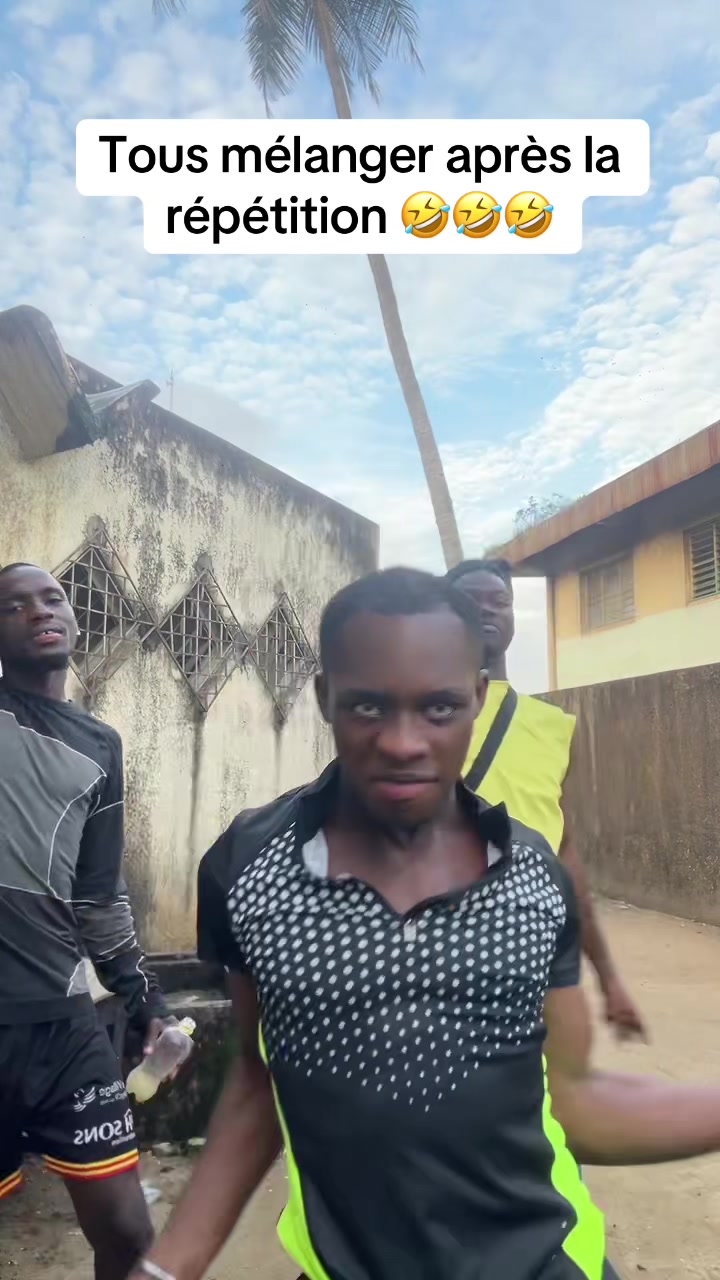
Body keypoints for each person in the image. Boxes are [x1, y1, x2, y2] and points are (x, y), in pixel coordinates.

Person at [130, 567, 720, 1280]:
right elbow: (258, 1081)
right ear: (325, 697)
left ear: (477, 698)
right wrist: (165, 1267)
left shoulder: (533, 875)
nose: (403, 742)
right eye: (368, 707)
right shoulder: (249, 866)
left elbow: (575, 1098)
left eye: (439, 708)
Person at [0, 563, 174, 1280]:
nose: (40, 610)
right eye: (13, 605)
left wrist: (147, 1002)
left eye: (53, 597)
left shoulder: (101, 744)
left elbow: (98, 897)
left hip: (65, 1028)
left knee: (129, 1234)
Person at [446, 558, 645, 1039]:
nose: (488, 610)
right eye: (471, 601)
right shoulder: (413, 715)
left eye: (500, 601)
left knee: (530, 1080)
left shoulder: (553, 728)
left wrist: (608, 977)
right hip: (433, 959)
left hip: (525, 965)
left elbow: (564, 857)